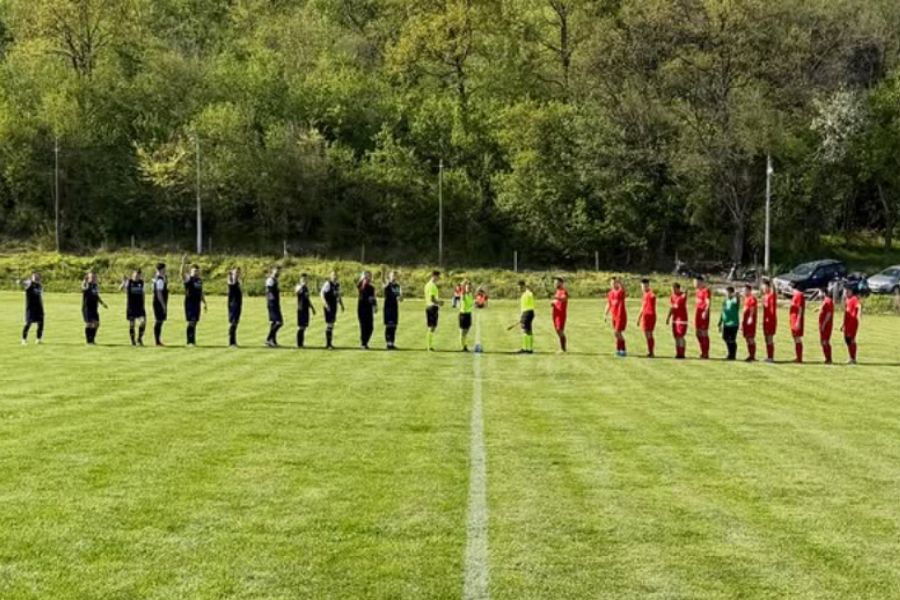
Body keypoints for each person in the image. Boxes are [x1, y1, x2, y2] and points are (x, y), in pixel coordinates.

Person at [181, 256, 208, 346]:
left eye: (197, 271)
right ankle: (189, 341)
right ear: (191, 272)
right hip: (190, 303)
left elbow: (201, 292)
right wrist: (183, 263)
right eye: (195, 271)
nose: (196, 273)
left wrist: (204, 302)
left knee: (195, 321)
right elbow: (182, 274)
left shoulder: (199, 280)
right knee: (191, 321)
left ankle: (193, 340)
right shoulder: (189, 279)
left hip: (197, 303)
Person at [119, 269, 147, 346]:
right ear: (132, 275)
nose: (136, 277)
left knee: (143, 322)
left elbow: (143, 294)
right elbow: (120, 289)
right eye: (135, 275)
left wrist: (143, 304)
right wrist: (123, 282)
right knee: (132, 324)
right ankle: (132, 341)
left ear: (140, 276)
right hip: (131, 307)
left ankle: (139, 339)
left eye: (138, 275)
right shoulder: (129, 282)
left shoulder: (141, 283)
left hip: (140, 307)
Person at [81, 272, 108, 345]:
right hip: (87, 308)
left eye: (94, 277)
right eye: (92, 277)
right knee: (89, 324)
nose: (93, 279)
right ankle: (88, 341)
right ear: (88, 278)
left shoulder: (95, 286)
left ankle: (92, 339)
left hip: (94, 308)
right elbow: (83, 288)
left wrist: (102, 303)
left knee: (97, 324)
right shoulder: (86, 285)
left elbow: (96, 296)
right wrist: (84, 282)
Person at [321, 271, 344, 349]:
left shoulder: (337, 285)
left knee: (332, 324)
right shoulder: (328, 284)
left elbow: (338, 295)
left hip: (334, 306)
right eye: (333, 275)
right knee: (329, 324)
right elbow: (322, 293)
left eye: (336, 275)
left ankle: (330, 344)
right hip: (328, 306)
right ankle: (328, 344)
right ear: (330, 276)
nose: (335, 277)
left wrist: (341, 304)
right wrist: (325, 303)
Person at [604, 277, 627, 357]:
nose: (613, 284)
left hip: (620, 315)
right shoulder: (610, 293)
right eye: (612, 283)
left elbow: (623, 289)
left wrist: (620, 283)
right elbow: (609, 304)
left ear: (617, 283)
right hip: (614, 316)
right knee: (616, 334)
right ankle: (618, 349)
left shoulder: (620, 292)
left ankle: (623, 350)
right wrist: (605, 314)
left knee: (617, 332)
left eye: (615, 283)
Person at [21, 271, 44, 345]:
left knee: (40, 323)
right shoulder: (29, 283)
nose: (37, 278)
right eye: (35, 276)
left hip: (39, 307)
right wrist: (21, 282)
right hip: (31, 308)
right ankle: (24, 340)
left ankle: (38, 339)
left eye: (38, 276)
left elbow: (39, 296)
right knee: (28, 323)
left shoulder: (40, 286)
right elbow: (24, 283)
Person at [666, 282, 688, 359]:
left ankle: (682, 353)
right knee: (676, 337)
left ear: (678, 289)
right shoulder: (672, 297)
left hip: (682, 319)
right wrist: (668, 317)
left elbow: (684, 296)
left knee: (680, 336)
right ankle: (678, 353)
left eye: (674, 289)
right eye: (672, 289)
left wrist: (685, 293)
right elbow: (672, 307)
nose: (673, 291)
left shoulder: (682, 295)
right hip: (675, 319)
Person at [636, 278, 657, 358]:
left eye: (645, 286)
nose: (643, 287)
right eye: (642, 286)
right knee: (646, 333)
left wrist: (652, 295)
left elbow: (653, 296)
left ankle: (651, 352)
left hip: (650, 316)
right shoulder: (644, 295)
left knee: (649, 333)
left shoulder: (650, 293)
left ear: (648, 286)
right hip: (645, 316)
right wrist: (639, 317)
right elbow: (643, 307)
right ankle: (650, 351)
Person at [718, 286, 740, 360]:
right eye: (726, 292)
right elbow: (723, 312)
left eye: (728, 292)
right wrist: (720, 322)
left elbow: (737, 301)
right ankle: (730, 353)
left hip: (733, 323)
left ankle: (732, 355)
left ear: (731, 293)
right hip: (726, 323)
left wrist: (736, 296)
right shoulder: (725, 301)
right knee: (725, 338)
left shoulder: (734, 300)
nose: (726, 294)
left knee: (732, 339)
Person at [357, 271, 377, 349]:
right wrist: (362, 279)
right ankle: (363, 343)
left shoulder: (372, 288)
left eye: (369, 276)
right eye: (366, 276)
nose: (368, 278)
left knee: (370, 327)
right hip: (361, 309)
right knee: (363, 327)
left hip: (369, 309)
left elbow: (373, 297)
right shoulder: (361, 286)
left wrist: (375, 306)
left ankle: (365, 342)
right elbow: (359, 286)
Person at [295, 273, 316, 348]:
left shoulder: (306, 288)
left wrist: (312, 308)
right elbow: (297, 292)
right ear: (300, 279)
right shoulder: (298, 287)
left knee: (304, 327)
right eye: (303, 279)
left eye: (306, 279)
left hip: (306, 309)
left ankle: (301, 343)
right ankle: (299, 344)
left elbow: (307, 299)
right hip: (301, 309)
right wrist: (302, 286)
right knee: (301, 327)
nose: (305, 280)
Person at [382, 271, 402, 350]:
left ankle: (392, 343)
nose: (394, 277)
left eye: (395, 276)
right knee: (389, 326)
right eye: (393, 276)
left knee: (394, 326)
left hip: (394, 308)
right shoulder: (387, 285)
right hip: (388, 308)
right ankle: (388, 343)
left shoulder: (397, 286)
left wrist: (400, 298)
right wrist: (383, 275)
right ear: (389, 277)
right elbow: (383, 284)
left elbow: (398, 296)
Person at [842, 285, 861, 365]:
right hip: (847, 323)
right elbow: (846, 313)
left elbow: (859, 306)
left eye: (847, 291)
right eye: (845, 291)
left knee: (851, 340)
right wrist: (843, 324)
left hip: (852, 323)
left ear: (851, 291)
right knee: (847, 340)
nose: (846, 293)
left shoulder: (854, 299)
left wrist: (859, 314)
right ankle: (851, 357)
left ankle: (853, 358)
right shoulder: (847, 300)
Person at [265, 267, 283, 347]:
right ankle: (268, 339)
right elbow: (270, 291)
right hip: (272, 303)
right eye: (276, 271)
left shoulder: (275, 280)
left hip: (275, 303)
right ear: (272, 271)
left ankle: (273, 341)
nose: (278, 273)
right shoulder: (270, 280)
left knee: (274, 322)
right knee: (279, 322)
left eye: (278, 271)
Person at [152, 263, 169, 346]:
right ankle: (157, 341)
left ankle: (158, 340)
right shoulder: (159, 280)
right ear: (161, 269)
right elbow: (159, 294)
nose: (165, 270)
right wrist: (163, 305)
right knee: (159, 321)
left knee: (160, 321)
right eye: (164, 269)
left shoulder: (159, 278)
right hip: (159, 303)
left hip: (159, 302)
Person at [425, 271, 442, 351]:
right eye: (438, 277)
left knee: (431, 326)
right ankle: (429, 346)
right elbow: (432, 298)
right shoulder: (432, 285)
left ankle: (429, 345)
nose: (438, 278)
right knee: (432, 327)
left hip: (428, 306)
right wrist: (439, 302)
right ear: (434, 276)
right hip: (432, 307)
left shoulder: (427, 285)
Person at [694, 276, 711, 359]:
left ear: (701, 282)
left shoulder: (706, 290)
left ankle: (705, 353)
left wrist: (705, 311)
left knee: (704, 332)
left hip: (703, 314)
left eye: (696, 282)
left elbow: (708, 302)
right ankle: (703, 350)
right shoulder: (697, 291)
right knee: (697, 333)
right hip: (697, 314)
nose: (695, 284)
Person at [762, 278, 778, 362]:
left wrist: (772, 282)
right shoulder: (764, 297)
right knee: (766, 338)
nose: (763, 289)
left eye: (765, 287)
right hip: (765, 320)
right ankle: (768, 356)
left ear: (769, 287)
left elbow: (774, 291)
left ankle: (771, 357)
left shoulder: (772, 295)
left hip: (771, 321)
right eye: (763, 287)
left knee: (769, 338)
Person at [789, 284, 806, 363]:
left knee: (797, 337)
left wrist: (798, 321)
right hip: (793, 319)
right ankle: (797, 357)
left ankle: (799, 358)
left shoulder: (799, 295)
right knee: (795, 337)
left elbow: (800, 308)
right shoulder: (795, 296)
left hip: (796, 319)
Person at [552, 277, 569, 352]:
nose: (555, 284)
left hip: (561, 314)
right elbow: (557, 300)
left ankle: (563, 348)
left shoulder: (563, 291)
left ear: (561, 283)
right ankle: (562, 348)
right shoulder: (557, 291)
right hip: (555, 313)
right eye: (554, 283)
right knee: (557, 330)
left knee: (559, 330)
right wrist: (553, 303)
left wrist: (556, 298)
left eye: (556, 283)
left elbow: (564, 298)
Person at [518, 280, 535, 354]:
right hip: (527, 312)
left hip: (527, 312)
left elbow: (531, 294)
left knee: (525, 330)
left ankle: (526, 349)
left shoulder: (528, 293)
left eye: (520, 287)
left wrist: (528, 288)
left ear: (523, 286)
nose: (519, 289)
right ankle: (528, 348)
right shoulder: (525, 294)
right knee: (528, 331)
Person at [817, 290, 835, 364]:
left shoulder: (828, 301)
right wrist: (819, 308)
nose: (818, 294)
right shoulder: (825, 301)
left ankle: (829, 359)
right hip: (823, 324)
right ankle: (827, 358)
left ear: (824, 293)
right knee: (822, 342)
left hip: (826, 325)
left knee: (825, 341)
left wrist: (824, 324)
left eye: (819, 292)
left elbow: (829, 314)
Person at [742, 284, 758, 362]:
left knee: (750, 338)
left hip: (749, 322)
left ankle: (752, 356)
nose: (743, 292)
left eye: (744, 290)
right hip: (745, 321)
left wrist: (750, 317)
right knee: (747, 338)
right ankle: (750, 355)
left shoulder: (752, 298)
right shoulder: (746, 299)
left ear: (749, 290)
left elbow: (752, 308)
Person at [227, 267, 242, 347]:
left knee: (236, 322)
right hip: (233, 304)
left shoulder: (238, 281)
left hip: (238, 304)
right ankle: (231, 342)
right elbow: (232, 285)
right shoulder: (231, 281)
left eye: (238, 272)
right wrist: (233, 277)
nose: (237, 274)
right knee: (233, 322)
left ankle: (234, 341)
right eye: (236, 272)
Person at [459, 281, 475, 351]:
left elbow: (471, 303)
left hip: (468, 314)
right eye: (467, 287)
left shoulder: (470, 295)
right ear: (465, 288)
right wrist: (463, 284)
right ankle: (463, 346)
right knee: (462, 331)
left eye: (469, 287)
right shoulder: (463, 294)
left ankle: (464, 345)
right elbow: (462, 292)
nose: (468, 288)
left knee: (467, 330)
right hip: (463, 314)